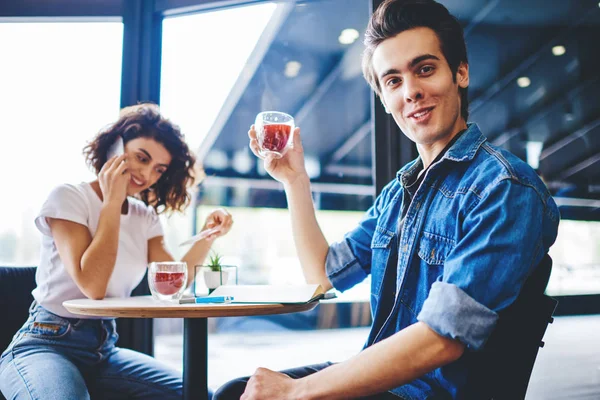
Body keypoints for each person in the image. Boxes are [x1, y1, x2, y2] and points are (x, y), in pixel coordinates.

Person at [214, 0, 560, 399]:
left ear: (460, 73)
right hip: (389, 384)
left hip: (430, 394)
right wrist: (295, 180)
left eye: (425, 69)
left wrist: (296, 391)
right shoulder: (398, 195)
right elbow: (324, 275)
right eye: (393, 81)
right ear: (384, 98)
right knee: (235, 391)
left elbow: (443, 338)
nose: (411, 91)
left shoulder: (505, 186)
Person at [0, 103, 233, 399]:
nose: (147, 174)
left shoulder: (145, 217)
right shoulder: (69, 198)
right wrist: (112, 202)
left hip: (104, 349)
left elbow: (175, 281)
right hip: (45, 343)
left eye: (158, 169)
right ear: (114, 150)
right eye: (141, 158)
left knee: (199, 394)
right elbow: (93, 286)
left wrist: (208, 236)